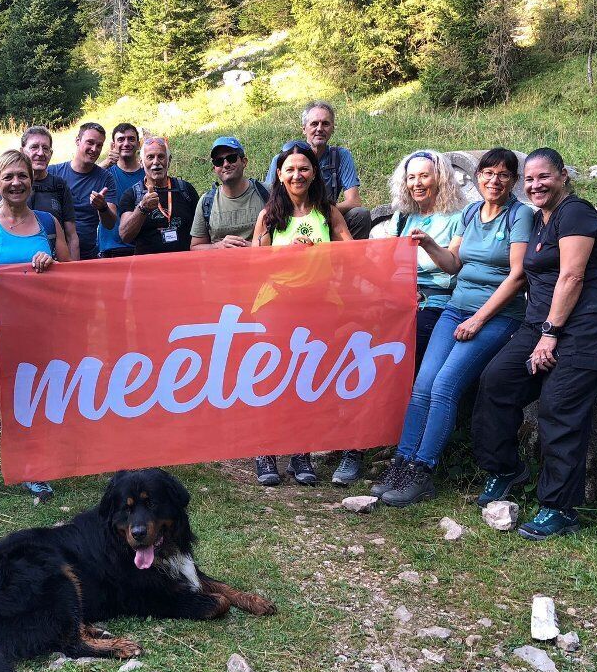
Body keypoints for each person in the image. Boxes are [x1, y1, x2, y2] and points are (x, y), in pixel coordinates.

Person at [472, 148, 597, 540]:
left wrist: (551, 333)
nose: (536, 185)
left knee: (558, 409)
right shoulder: (539, 220)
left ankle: (559, 507)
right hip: (540, 324)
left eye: (544, 177)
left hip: (585, 325)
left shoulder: (576, 212)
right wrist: (542, 330)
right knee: (495, 384)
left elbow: (572, 276)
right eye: (530, 179)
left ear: (563, 177)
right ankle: (506, 469)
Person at [375, 148, 534, 507]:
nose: (494, 181)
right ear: (477, 177)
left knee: (445, 385)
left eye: (503, 175)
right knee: (422, 385)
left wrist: (479, 319)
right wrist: (429, 243)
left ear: (512, 181)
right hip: (454, 310)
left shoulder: (520, 215)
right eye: (488, 173)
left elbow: (518, 275)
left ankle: (422, 471)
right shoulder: (471, 213)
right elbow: (453, 264)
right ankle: (401, 463)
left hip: (497, 316)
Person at [334, 149, 466, 486]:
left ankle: (383, 450)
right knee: (357, 353)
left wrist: (426, 251)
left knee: (387, 364)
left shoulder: (458, 218)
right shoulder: (403, 218)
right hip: (399, 303)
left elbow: (453, 269)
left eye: (424, 176)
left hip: (435, 306)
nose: (417, 183)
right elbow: (384, 265)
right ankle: (354, 446)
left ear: (440, 178)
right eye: (411, 177)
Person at [0, 150, 72, 501]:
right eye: (8, 177)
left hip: (40, 327)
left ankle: (33, 467)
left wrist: (52, 263)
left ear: (31, 181)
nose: (16, 183)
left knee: (34, 400)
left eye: (22, 176)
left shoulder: (47, 223)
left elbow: (71, 275)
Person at [250, 143, 352, 487]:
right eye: (290, 169)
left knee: (306, 380)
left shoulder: (328, 212)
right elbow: (253, 264)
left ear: (314, 173)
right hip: (276, 306)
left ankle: (301, 451)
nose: (297, 174)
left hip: (319, 306)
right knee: (272, 377)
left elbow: (354, 254)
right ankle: (265, 450)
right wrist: (288, 257)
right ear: (279, 175)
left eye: (304, 168)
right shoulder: (269, 216)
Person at [265, 101, 372, 239]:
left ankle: (346, 256)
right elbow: (268, 200)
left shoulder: (340, 156)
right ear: (304, 128)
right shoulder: (282, 159)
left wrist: (319, 215)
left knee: (360, 214)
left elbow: (354, 201)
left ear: (332, 128)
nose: (320, 129)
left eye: (325, 124)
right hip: (287, 217)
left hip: (326, 215)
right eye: (314, 124)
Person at [117, 137, 200, 254]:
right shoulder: (132, 194)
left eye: (161, 156)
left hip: (184, 264)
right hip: (147, 267)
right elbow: (125, 235)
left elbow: (202, 230)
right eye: (150, 157)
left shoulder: (185, 190)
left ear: (169, 160)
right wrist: (142, 208)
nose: (156, 162)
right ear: (141, 162)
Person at [49, 121, 118, 260]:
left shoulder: (106, 178)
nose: (94, 149)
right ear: (77, 140)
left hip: (88, 255)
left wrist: (102, 207)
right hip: (52, 254)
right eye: (90, 143)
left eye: (99, 145)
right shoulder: (53, 173)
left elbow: (110, 224)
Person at [189, 136, 270, 249]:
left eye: (231, 158)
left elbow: (284, 236)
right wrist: (218, 246)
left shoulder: (267, 192)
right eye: (219, 161)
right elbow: (195, 247)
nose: (226, 164)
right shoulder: (206, 202)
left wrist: (254, 247)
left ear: (244, 162)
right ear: (214, 168)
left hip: (259, 264)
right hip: (221, 265)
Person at [21, 126, 80, 261]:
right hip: (21, 263)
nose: (41, 153)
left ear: (51, 153)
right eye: (34, 147)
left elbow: (71, 235)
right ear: (22, 151)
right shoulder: (13, 186)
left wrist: (75, 272)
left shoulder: (59, 186)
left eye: (45, 148)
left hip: (54, 263)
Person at [99, 122, 141, 257]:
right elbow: (85, 178)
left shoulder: (148, 175)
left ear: (138, 144)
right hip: (110, 248)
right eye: (121, 139)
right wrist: (105, 162)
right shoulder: (104, 173)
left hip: (141, 248)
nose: (126, 143)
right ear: (113, 145)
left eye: (131, 139)